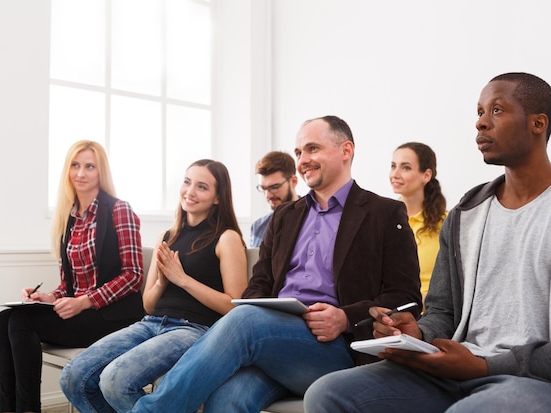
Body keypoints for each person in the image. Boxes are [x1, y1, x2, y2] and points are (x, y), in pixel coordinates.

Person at [132, 115, 422, 413]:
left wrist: (344, 318)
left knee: (246, 321)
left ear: (346, 150)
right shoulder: (285, 215)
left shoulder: (383, 214)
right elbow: (259, 284)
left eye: (312, 149)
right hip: (272, 340)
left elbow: (407, 299)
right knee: (227, 400)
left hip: (335, 348)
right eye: (298, 153)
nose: (303, 159)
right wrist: (267, 307)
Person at [303, 72, 551, 413]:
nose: (480, 124)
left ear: (538, 123)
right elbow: (442, 310)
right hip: (453, 368)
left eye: (497, 111)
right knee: (328, 393)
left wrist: (485, 366)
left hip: (530, 379)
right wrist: (416, 332)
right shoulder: (468, 211)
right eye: (479, 113)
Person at [60, 159, 248, 413]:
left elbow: (234, 306)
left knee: (115, 381)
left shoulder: (227, 238)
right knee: (73, 376)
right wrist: (162, 280)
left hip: (195, 330)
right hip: (150, 323)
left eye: (202, 187)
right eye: (187, 182)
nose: (190, 191)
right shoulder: (166, 236)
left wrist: (182, 279)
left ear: (217, 197)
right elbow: (148, 304)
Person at [0, 140, 145, 413]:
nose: (81, 173)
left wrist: (85, 301)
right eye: (75, 165)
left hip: (114, 317)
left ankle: (28, 409)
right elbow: (69, 285)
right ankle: (8, 408)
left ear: (101, 172)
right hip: (83, 314)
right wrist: (49, 296)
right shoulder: (70, 217)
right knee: (2, 319)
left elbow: (133, 275)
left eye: (89, 166)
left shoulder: (119, 210)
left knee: (21, 322)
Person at [390, 142, 447, 305]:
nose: (395, 174)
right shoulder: (383, 221)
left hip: (432, 314)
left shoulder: (446, 223)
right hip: (391, 313)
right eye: (393, 166)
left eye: (405, 168)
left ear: (426, 175)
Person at [250, 151, 300, 247]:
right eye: (263, 188)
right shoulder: (258, 227)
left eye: (275, 187)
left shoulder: (312, 219)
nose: (268, 195)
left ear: (293, 182)